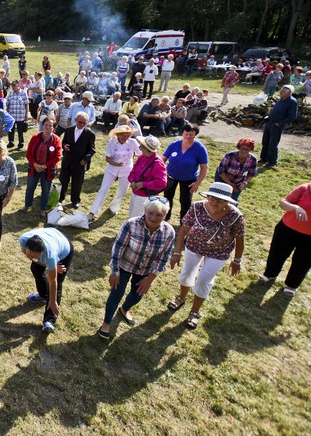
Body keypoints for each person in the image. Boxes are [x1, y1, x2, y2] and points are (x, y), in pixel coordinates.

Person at [166, 182, 244, 329]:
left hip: (219, 253)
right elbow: (183, 230)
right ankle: (181, 298)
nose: (214, 202)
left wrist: (237, 261)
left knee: (204, 280)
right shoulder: (197, 207)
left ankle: (195, 311)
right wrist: (176, 252)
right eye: (211, 198)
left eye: (219, 200)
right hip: (194, 246)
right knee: (186, 274)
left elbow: (240, 239)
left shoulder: (235, 216)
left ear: (227, 201)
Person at [98, 197, 175, 339]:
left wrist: (150, 279)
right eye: (150, 213)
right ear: (145, 210)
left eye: (159, 215)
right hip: (125, 265)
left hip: (145, 270)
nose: (153, 217)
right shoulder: (131, 224)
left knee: (137, 296)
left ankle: (124, 309)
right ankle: (106, 323)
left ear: (165, 215)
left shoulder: (169, 232)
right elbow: (118, 249)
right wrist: (115, 272)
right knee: (116, 293)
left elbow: (163, 257)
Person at [259, 165, 311, 297]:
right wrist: (295, 207)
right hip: (288, 229)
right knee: (277, 253)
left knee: (303, 261)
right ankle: (269, 274)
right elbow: (283, 203)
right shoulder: (304, 188)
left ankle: (292, 285)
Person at [20, 227, 73, 333]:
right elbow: (31, 257)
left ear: (42, 253)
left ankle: (49, 320)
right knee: (35, 268)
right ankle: (43, 296)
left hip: (64, 249)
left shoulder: (50, 254)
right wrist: (45, 264)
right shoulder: (23, 239)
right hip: (52, 235)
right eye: (29, 253)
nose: (30, 257)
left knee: (58, 280)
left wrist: (53, 302)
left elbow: (53, 281)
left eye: (35, 256)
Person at [88, 124, 141, 222]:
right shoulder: (112, 142)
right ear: (118, 135)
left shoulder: (132, 142)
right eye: (124, 136)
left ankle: (114, 207)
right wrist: (116, 164)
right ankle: (93, 212)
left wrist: (137, 167)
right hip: (112, 169)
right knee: (103, 189)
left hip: (126, 170)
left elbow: (141, 154)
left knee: (122, 191)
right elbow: (107, 158)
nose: (126, 138)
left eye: (128, 136)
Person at [162, 123, 208, 222]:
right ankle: (165, 217)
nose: (188, 136)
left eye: (191, 135)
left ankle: (184, 221)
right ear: (182, 133)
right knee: (167, 198)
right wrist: (160, 173)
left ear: (195, 135)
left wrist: (197, 183)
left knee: (185, 201)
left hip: (189, 179)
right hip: (170, 176)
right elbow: (163, 159)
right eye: (186, 134)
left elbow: (204, 168)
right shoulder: (174, 145)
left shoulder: (200, 148)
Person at [22, 117, 62, 218]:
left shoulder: (56, 140)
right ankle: (26, 206)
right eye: (46, 125)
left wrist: (45, 166)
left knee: (46, 190)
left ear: (54, 128)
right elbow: (28, 154)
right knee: (30, 187)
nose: (48, 127)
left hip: (48, 170)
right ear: (42, 126)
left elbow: (58, 156)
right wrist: (35, 164)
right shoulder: (35, 137)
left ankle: (43, 210)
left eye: (50, 126)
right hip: (34, 168)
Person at [58, 111, 96, 209]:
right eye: (80, 122)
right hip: (67, 161)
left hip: (80, 163)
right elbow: (63, 142)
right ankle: (60, 198)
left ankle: (75, 200)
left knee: (77, 183)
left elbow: (92, 149)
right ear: (75, 120)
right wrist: (64, 146)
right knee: (63, 181)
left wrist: (85, 159)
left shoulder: (89, 134)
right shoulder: (69, 130)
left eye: (84, 123)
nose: (82, 124)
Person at [126, 135, 168, 218]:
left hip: (146, 197)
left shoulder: (157, 162)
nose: (140, 148)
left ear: (146, 148)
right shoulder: (141, 157)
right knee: (132, 216)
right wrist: (132, 181)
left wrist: (143, 184)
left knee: (139, 219)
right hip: (135, 193)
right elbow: (133, 171)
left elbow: (162, 182)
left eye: (141, 146)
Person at [259, 85, 298, 168]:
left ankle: (272, 162)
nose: (281, 92)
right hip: (270, 122)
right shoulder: (280, 99)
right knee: (265, 141)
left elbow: (292, 116)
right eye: (281, 90)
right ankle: (263, 158)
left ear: (289, 93)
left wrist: (280, 123)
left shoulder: (292, 102)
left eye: (283, 91)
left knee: (273, 144)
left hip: (277, 125)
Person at [5, 80, 29, 149]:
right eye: (12, 86)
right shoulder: (11, 93)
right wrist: (7, 113)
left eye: (14, 86)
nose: (13, 87)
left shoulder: (23, 93)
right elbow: (8, 103)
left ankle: (21, 144)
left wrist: (26, 114)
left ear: (18, 86)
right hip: (12, 115)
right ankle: (11, 142)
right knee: (11, 130)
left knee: (20, 131)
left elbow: (26, 104)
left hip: (20, 116)